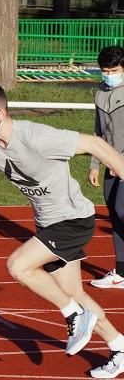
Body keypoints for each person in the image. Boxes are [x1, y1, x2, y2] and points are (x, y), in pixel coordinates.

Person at [0, 83, 124, 378]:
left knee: (18, 266)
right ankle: (119, 347)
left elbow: (95, 144)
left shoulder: (36, 136)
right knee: (74, 293)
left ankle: (73, 314)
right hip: (49, 224)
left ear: (2, 113)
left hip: (73, 220)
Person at [88, 45, 124, 290]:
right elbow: (98, 132)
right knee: (115, 215)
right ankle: (121, 273)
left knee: (123, 210)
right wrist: (95, 163)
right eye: (105, 70)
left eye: (114, 70)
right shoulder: (100, 93)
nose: (109, 74)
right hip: (109, 162)